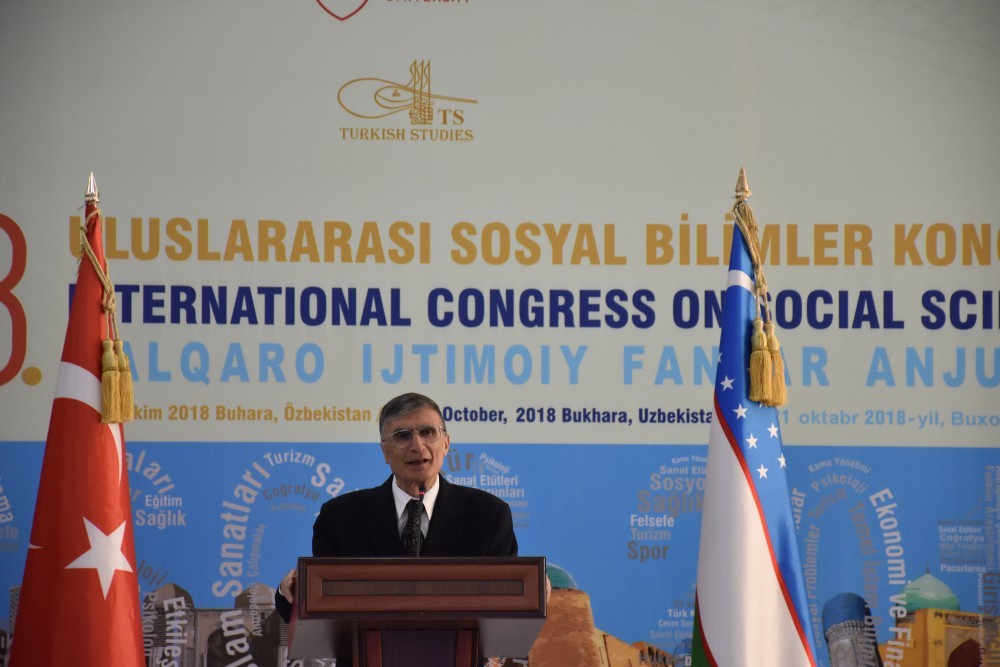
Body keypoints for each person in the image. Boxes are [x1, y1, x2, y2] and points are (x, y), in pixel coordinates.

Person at [274, 392, 518, 622]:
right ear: (384, 452)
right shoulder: (340, 518)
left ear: (446, 444)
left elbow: (509, 603)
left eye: (427, 432)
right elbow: (315, 605)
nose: (417, 446)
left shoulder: (488, 515)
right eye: (402, 435)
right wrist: (290, 590)